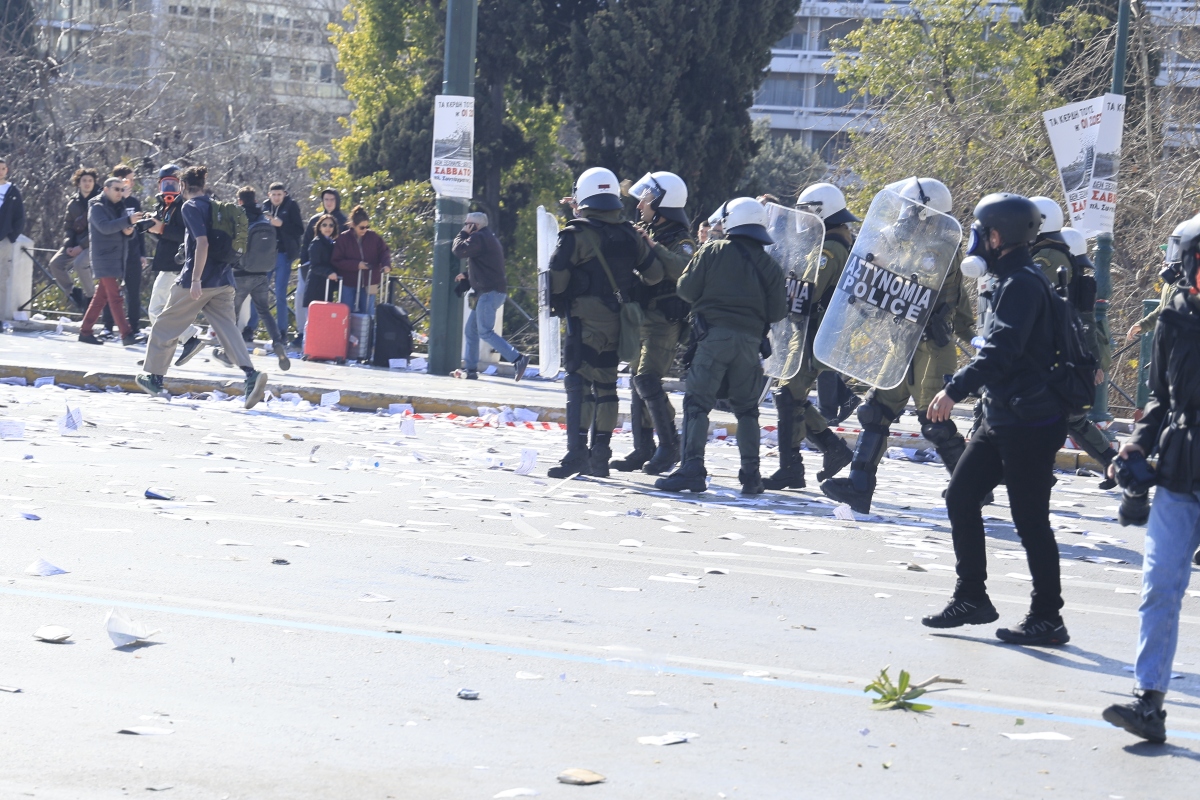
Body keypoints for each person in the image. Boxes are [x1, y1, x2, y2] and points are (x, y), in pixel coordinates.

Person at [921, 193, 1070, 646]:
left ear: (997, 235)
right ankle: (972, 597)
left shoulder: (1023, 282)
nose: (976, 240)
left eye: (981, 231)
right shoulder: (1006, 278)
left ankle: (1048, 616)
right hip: (1003, 415)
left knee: (1030, 520)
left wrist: (954, 388)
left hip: (1030, 421)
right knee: (961, 496)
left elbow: (1002, 352)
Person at [1101, 213, 1200, 744]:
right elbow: (1161, 399)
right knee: (1159, 587)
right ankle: (1148, 703)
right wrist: (1136, 446)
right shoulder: (1174, 320)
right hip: (1182, 470)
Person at [821, 178, 974, 514]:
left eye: (910, 209)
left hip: (931, 347)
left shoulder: (939, 249)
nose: (904, 215)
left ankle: (971, 487)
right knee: (875, 412)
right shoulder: (915, 242)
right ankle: (859, 488)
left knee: (934, 422)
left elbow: (915, 282)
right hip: (902, 340)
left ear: (926, 212)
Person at [655, 198, 786, 495]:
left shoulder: (713, 250)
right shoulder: (771, 265)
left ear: (731, 221)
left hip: (713, 339)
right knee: (747, 410)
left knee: (697, 404)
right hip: (750, 346)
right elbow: (778, 313)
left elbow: (685, 289)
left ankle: (692, 469)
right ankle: (751, 476)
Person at [545, 167, 662, 479]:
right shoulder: (629, 234)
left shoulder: (575, 234)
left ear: (583, 196)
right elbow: (654, 275)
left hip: (584, 320)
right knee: (607, 387)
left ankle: (576, 456)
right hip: (620, 323)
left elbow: (555, 281)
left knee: (578, 384)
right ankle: (600, 457)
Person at [136, 166, 268, 409]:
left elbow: (203, 243)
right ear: (204, 185)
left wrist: (195, 279)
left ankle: (154, 377)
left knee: (164, 323)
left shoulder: (190, 206)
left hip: (197, 281)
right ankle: (251, 375)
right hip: (225, 280)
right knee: (228, 330)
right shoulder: (216, 206)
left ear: (183, 186)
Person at [762, 182, 855, 491]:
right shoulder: (830, 243)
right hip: (807, 332)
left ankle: (792, 468)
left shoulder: (830, 250)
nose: (801, 218)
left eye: (806, 211)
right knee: (792, 396)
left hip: (812, 333)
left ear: (820, 212)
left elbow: (810, 292)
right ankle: (833, 449)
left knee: (788, 396)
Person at [610, 172, 696, 475]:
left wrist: (652, 245)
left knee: (647, 380)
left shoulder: (681, 239)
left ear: (662, 203)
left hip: (664, 320)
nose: (640, 203)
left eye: (647, 198)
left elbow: (682, 268)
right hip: (641, 316)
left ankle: (670, 445)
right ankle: (642, 448)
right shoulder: (645, 229)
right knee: (637, 382)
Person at [1030, 198, 1117, 487]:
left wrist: (1090, 364)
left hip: (1065, 359)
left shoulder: (1070, 280)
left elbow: (1085, 326)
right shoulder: (1075, 279)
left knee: (1057, 418)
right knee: (1072, 419)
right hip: (1067, 358)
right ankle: (1116, 465)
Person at [212, 187, 291, 371]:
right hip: (262, 274)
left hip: (240, 274)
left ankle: (227, 353)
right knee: (264, 310)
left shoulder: (237, 217)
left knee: (232, 315)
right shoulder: (264, 217)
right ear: (255, 200)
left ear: (240, 201)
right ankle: (278, 343)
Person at [452, 211, 529, 381]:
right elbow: (487, 265)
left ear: (475, 225)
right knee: (471, 330)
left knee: (485, 332)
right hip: (489, 292)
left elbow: (459, 250)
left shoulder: (479, 237)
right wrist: (468, 275)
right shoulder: (487, 237)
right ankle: (471, 370)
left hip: (489, 294)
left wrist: (463, 234)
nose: (464, 226)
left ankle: (518, 359)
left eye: (467, 224)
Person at [145, 165, 205, 365]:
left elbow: (187, 235)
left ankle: (189, 338)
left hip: (176, 265)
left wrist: (162, 229)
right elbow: (163, 233)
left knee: (156, 310)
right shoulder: (163, 206)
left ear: (182, 186)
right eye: (165, 183)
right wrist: (147, 225)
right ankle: (157, 358)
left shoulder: (184, 206)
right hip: (168, 263)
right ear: (159, 185)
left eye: (174, 183)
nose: (169, 188)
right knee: (165, 312)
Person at [79, 177, 140, 346]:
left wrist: (130, 231)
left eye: (122, 190)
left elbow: (124, 230)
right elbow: (105, 227)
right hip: (103, 257)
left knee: (101, 297)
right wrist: (128, 221)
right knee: (116, 297)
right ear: (106, 189)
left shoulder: (120, 206)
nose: (120, 193)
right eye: (116, 189)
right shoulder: (96, 206)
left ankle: (85, 331)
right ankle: (126, 334)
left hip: (117, 256)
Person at [100, 164, 146, 340]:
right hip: (114, 253)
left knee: (133, 292)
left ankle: (134, 327)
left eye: (133, 180)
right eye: (129, 179)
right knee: (110, 292)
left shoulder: (134, 202)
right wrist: (121, 200)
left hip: (132, 252)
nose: (132, 183)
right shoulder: (108, 202)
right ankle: (108, 327)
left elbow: (139, 227)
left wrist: (142, 252)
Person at [47, 168, 100, 312]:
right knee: (55, 264)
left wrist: (81, 247)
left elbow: (98, 229)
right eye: (84, 181)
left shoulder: (100, 201)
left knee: (79, 264)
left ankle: (91, 297)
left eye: (90, 181)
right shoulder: (72, 202)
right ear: (78, 183)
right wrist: (69, 244)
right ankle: (73, 292)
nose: (87, 184)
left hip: (94, 243)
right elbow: (68, 225)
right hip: (75, 242)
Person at [297, 189, 346, 342]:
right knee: (301, 297)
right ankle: (302, 334)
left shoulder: (344, 221)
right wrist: (304, 262)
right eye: (326, 199)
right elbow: (306, 244)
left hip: (333, 273)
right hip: (312, 268)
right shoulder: (315, 219)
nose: (329, 202)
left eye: (332, 199)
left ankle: (327, 338)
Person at [261, 182, 304, 341]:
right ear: (269, 195)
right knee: (259, 291)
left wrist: (282, 224)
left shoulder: (291, 206)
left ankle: (281, 331)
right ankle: (251, 327)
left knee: (280, 294)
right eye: (274, 194)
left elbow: (299, 230)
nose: (277, 197)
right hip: (265, 254)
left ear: (284, 194)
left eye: (280, 194)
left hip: (283, 253)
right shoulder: (264, 208)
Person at [332, 206, 391, 315]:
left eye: (367, 227)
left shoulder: (373, 237)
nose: (365, 230)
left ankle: (368, 332)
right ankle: (346, 333)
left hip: (370, 281)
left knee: (368, 314)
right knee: (346, 313)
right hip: (348, 282)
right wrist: (356, 265)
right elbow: (337, 260)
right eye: (362, 227)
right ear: (353, 225)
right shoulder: (343, 238)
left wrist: (386, 264)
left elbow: (384, 251)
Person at [302, 213, 341, 308]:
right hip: (316, 286)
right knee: (313, 320)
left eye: (331, 225)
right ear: (319, 227)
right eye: (324, 225)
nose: (328, 228)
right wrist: (329, 272)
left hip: (327, 286)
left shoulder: (332, 243)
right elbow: (314, 266)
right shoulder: (316, 243)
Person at [0, 158, 27, 255]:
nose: (1, 172)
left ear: (7, 170)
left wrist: (11, 236)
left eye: (3, 169)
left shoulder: (13, 191)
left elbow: (20, 216)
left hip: (3, 238)